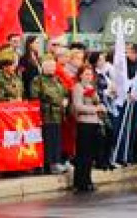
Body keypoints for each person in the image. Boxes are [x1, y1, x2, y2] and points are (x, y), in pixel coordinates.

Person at [71, 65, 106, 193]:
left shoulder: (91, 87)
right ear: (80, 75)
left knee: (90, 155)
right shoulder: (78, 87)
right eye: (86, 74)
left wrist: (100, 106)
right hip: (84, 123)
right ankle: (80, 182)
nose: (89, 77)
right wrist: (95, 109)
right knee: (83, 154)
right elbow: (78, 106)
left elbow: (97, 102)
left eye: (90, 74)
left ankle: (88, 180)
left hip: (94, 123)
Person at [32, 56, 69, 175]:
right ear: (44, 67)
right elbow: (35, 97)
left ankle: (56, 161)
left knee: (57, 139)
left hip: (58, 114)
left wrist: (65, 99)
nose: (52, 68)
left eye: (53, 66)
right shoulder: (38, 80)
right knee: (48, 140)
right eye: (50, 66)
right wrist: (49, 102)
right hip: (47, 114)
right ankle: (50, 164)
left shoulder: (57, 79)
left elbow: (65, 92)